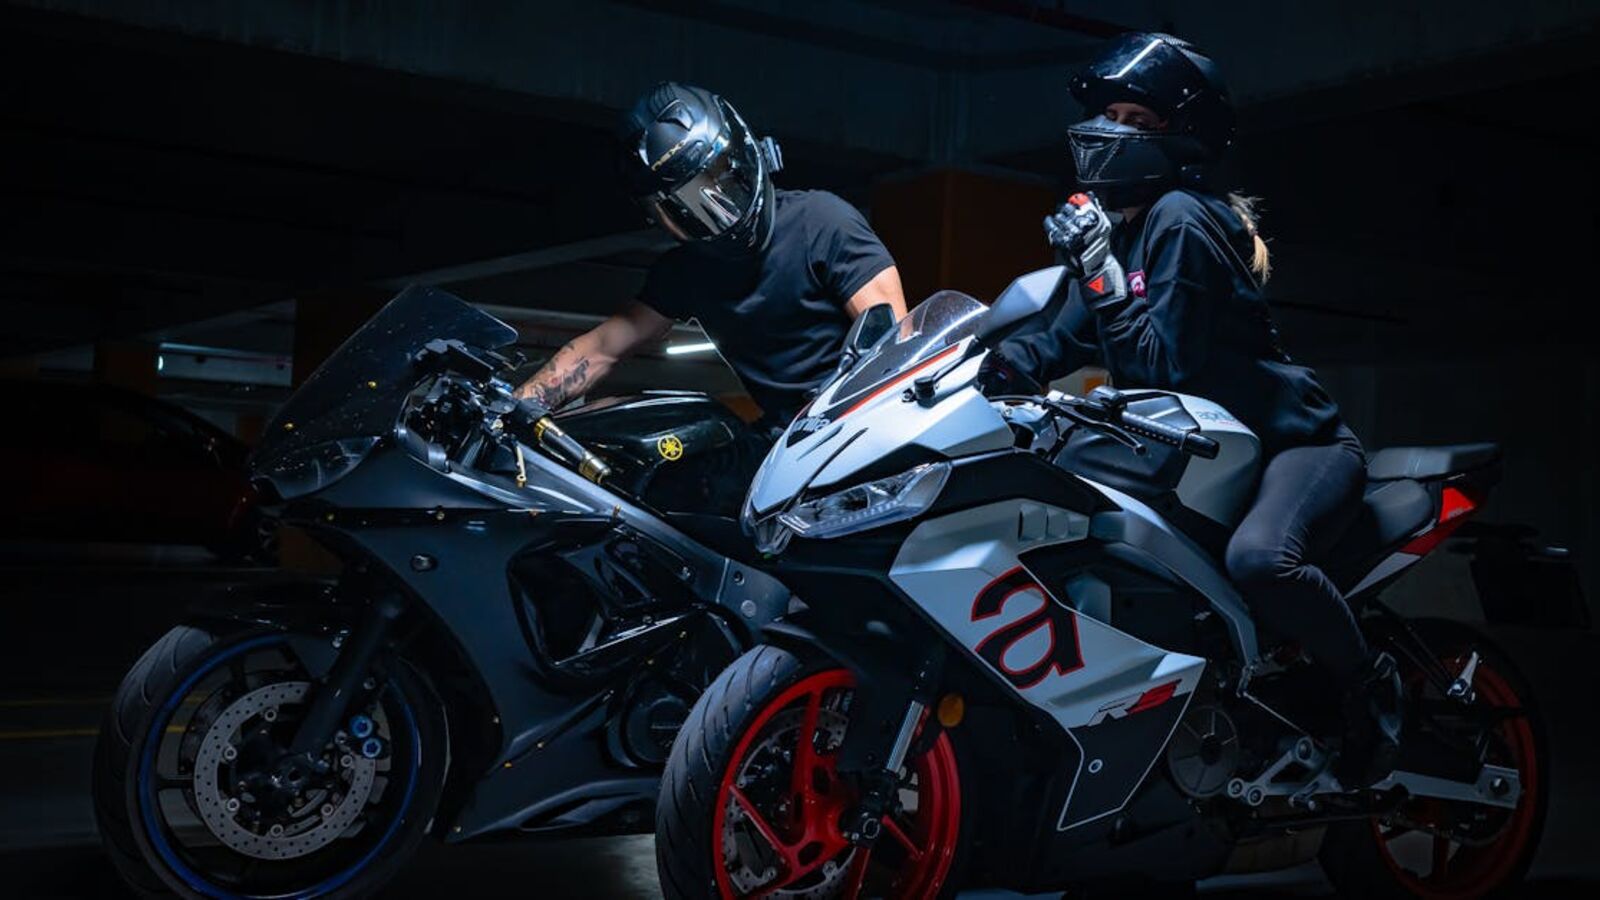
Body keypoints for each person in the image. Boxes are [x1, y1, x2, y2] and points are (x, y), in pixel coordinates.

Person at [1000, 33, 1401, 785]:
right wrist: (976, 373)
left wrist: (1098, 274)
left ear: (1180, 137)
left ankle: (1370, 685)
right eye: (1109, 113)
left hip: (1294, 448)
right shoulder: (1125, 231)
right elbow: (1053, 342)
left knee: (1261, 560)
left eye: (1137, 119)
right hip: (1207, 453)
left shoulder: (1181, 218)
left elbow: (1166, 367)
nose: (1113, 130)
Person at [516, 81, 907, 452]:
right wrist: (515, 409)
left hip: (855, 429)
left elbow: (894, 347)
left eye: (720, 180)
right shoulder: (687, 269)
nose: (717, 208)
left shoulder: (822, 221)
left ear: (742, 155)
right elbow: (603, 346)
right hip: (782, 444)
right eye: (687, 206)